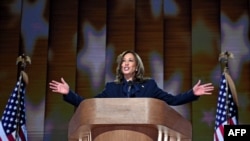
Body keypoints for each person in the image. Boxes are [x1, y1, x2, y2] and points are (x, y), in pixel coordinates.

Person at [49, 50, 214, 107]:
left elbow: (172, 100)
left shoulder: (149, 85)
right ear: (120, 66)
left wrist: (193, 93)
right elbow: (89, 105)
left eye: (130, 60)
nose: (126, 63)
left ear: (136, 66)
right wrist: (69, 93)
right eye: (123, 61)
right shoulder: (111, 88)